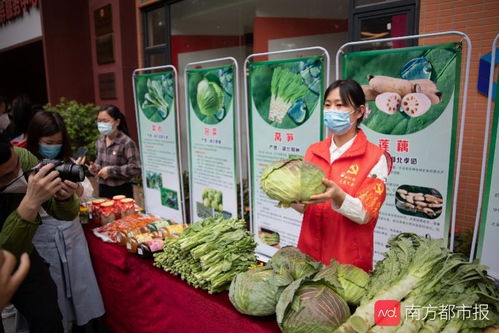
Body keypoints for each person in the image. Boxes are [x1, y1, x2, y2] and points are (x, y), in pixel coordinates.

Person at [294, 79, 392, 272]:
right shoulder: (313, 151)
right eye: (328, 105)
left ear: (360, 111)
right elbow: (306, 208)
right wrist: (289, 197)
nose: (332, 111)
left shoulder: (375, 158)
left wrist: (338, 196)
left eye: (340, 105)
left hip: (347, 263)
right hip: (308, 255)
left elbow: (365, 214)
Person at [24, 110, 106, 332]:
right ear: (35, 139)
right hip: (43, 237)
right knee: (52, 293)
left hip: (72, 234)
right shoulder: (25, 166)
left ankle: (82, 326)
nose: (53, 147)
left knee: (80, 287)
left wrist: (74, 189)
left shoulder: (67, 163)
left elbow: (87, 192)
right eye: (48, 142)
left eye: (58, 143)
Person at [0, 132, 80, 333]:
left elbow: (64, 214)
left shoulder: (24, 159)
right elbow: (4, 250)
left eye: (15, 168)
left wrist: (63, 198)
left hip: (25, 254)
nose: (15, 176)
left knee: (47, 313)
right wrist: (29, 204)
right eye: (5, 177)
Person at [89, 105, 140, 198]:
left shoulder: (126, 142)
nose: (101, 124)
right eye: (99, 121)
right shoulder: (100, 141)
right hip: (103, 188)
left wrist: (110, 171)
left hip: (121, 190)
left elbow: (135, 168)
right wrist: (95, 168)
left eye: (105, 121)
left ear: (117, 122)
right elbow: (99, 162)